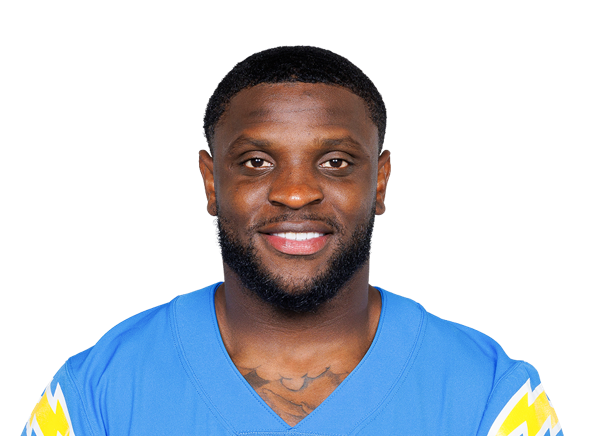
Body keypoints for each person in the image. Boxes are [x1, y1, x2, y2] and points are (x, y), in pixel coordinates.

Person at [22, 45, 563, 435]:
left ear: (380, 182)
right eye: (257, 162)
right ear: (211, 183)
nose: (297, 193)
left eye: (336, 162)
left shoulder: (492, 396)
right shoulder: (93, 393)